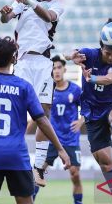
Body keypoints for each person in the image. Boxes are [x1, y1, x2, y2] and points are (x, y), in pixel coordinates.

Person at [0, 36, 70, 204]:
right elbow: (42, 120)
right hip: (17, 155)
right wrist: (60, 149)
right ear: (14, 58)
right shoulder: (24, 86)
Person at [0, 0, 68, 187]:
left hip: (43, 62)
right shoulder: (24, 1)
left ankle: (38, 167)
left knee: (43, 113)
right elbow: (6, 18)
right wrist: (5, 11)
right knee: (17, 111)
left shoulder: (55, 6)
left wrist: (29, 1)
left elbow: (48, 17)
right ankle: (13, 158)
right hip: (23, 62)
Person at [65, 18, 112, 203]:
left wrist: (92, 78)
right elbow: (67, 55)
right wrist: (71, 56)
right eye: (108, 52)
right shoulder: (89, 54)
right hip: (91, 113)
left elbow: (110, 78)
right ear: (101, 46)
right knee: (105, 164)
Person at [33, 55, 83, 204]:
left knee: (75, 174)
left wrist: (81, 121)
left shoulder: (75, 90)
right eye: (53, 68)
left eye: (59, 67)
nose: (56, 71)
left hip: (70, 139)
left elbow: (88, 109)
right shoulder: (46, 90)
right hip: (51, 139)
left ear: (64, 69)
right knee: (38, 172)